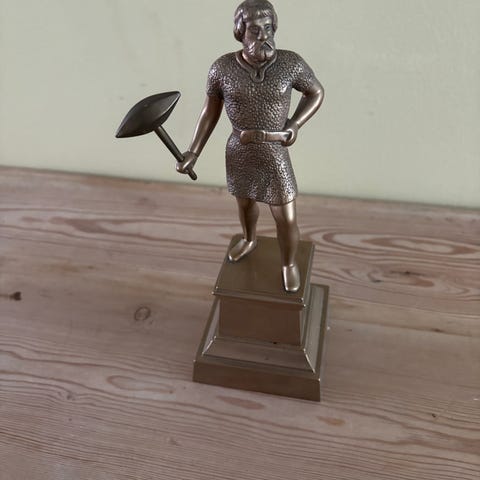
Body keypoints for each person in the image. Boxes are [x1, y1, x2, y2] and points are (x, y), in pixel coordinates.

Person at [177, 0, 324, 292]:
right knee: (245, 204)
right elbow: (209, 113)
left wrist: (295, 124)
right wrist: (193, 151)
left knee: (286, 215)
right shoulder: (221, 69)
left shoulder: (290, 63)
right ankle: (249, 239)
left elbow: (316, 92)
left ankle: (289, 263)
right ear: (240, 33)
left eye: (268, 28)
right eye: (255, 30)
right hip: (240, 150)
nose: (264, 36)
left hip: (274, 152)